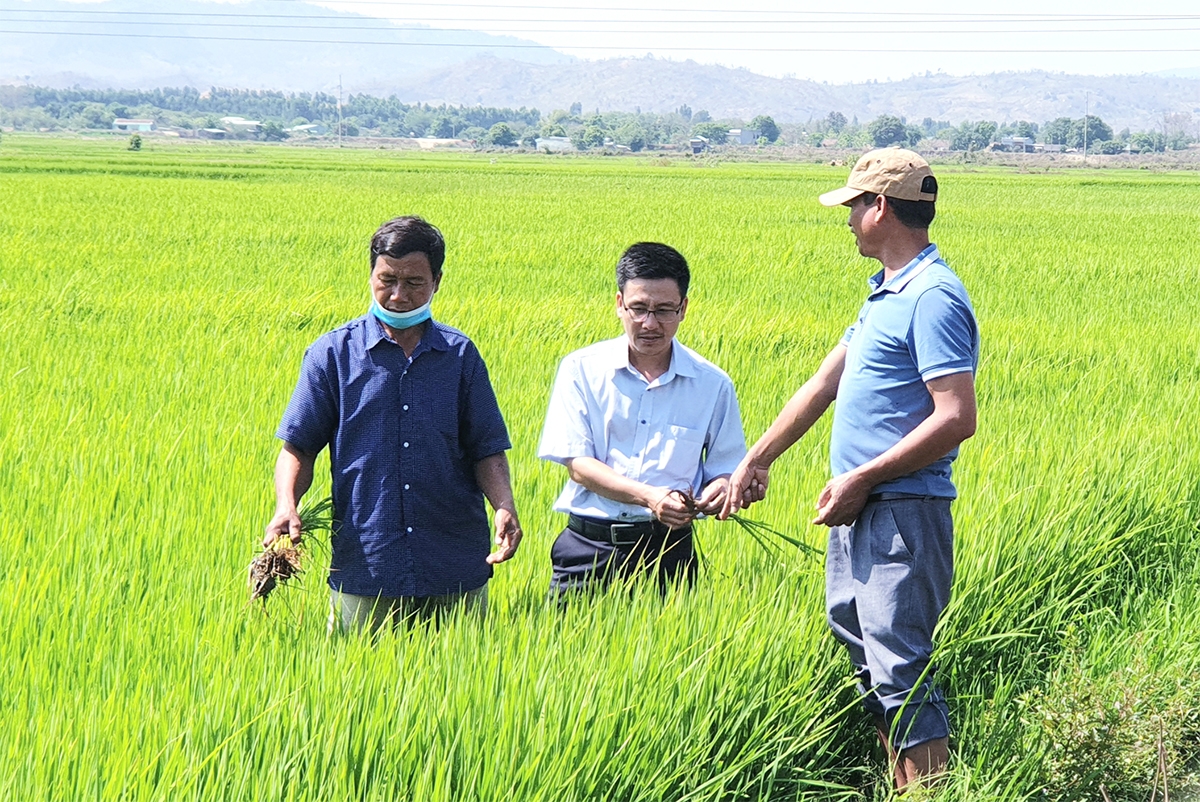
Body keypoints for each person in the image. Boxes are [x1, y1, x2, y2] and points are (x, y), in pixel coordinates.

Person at [722, 149, 978, 791]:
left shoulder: (932, 297)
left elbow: (956, 416)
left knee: (900, 663)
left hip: (902, 510)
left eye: (854, 205)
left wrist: (863, 478)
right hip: (863, 507)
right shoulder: (884, 294)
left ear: (880, 207)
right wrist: (757, 458)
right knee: (866, 651)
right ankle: (902, 784)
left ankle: (930, 791)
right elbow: (823, 384)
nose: (847, 218)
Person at [265, 215, 522, 634]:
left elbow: (486, 448)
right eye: (387, 280)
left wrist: (504, 505)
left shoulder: (459, 356)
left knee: (463, 668)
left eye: (414, 282)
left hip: (453, 559)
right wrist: (286, 504)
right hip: (367, 558)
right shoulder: (333, 354)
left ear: (437, 281)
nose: (399, 295)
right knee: (357, 670)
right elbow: (299, 447)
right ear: (371, 274)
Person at [538, 242, 746, 599]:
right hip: (589, 549)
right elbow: (579, 466)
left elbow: (726, 468)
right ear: (619, 304)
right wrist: (650, 498)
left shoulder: (712, 384)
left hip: (670, 554)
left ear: (683, 309)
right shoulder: (581, 370)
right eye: (638, 309)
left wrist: (721, 489)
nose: (650, 323)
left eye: (664, 310)